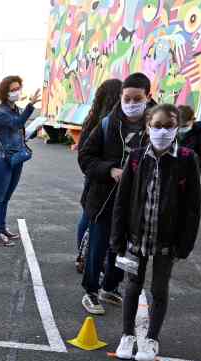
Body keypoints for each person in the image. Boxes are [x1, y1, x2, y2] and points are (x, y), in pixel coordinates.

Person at [111, 104, 201, 361]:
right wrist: (117, 238)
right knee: (132, 286)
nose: (162, 131)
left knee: (159, 288)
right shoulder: (138, 156)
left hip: (166, 241)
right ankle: (127, 334)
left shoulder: (186, 159)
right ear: (148, 126)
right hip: (136, 238)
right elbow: (123, 199)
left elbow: (192, 207)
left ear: (177, 127)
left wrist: (185, 244)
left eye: (168, 126)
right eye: (157, 125)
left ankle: (151, 338)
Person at [78, 72, 152, 315]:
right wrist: (110, 171)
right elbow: (86, 157)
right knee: (98, 247)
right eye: (127, 99)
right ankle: (90, 290)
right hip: (104, 198)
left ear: (148, 97)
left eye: (137, 99)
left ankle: (110, 286)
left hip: (135, 201)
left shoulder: (156, 125)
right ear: (120, 97)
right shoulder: (108, 124)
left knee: (121, 247)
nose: (131, 104)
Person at [0, 76, 41, 247]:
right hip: (3, 161)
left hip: (16, 158)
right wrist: (31, 106)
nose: (17, 92)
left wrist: (31, 132)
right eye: (13, 89)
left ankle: (2, 228)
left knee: (6, 198)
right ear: (5, 92)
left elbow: (18, 131)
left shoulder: (15, 109)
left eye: (18, 88)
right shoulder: (1, 112)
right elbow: (17, 124)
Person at [75, 79, 123, 271]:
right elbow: (85, 154)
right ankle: (87, 258)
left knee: (90, 217)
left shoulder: (93, 118)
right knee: (92, 218)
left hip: (95, 175)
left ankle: (83, 257)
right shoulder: (106, 123)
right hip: (101, 176)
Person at [175, 105, 201, 172]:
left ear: (192, 120)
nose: (181, 128)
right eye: (179, 125)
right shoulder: (171, 130)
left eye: (184, 125)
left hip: (191, 171)